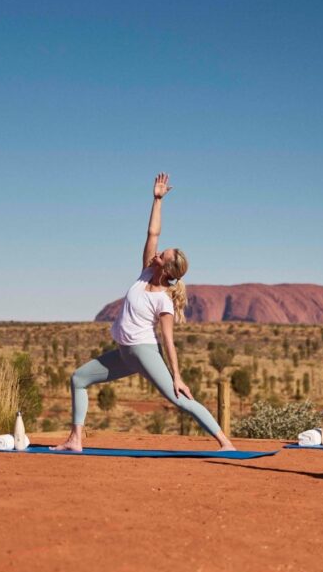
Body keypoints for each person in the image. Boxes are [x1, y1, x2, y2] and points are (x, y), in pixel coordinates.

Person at [51, 173, 235, 452]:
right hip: (125, 353)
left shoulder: (164, 301)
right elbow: (153, 233)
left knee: (179, 399)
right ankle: (75, 439)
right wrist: (157, 200)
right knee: (79, 378)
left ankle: (225, 443)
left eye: (164, 254)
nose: (158, 251)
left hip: (145, 352)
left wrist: (177, 375)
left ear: (167, 267)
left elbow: (168, 341)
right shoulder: (146, 271)